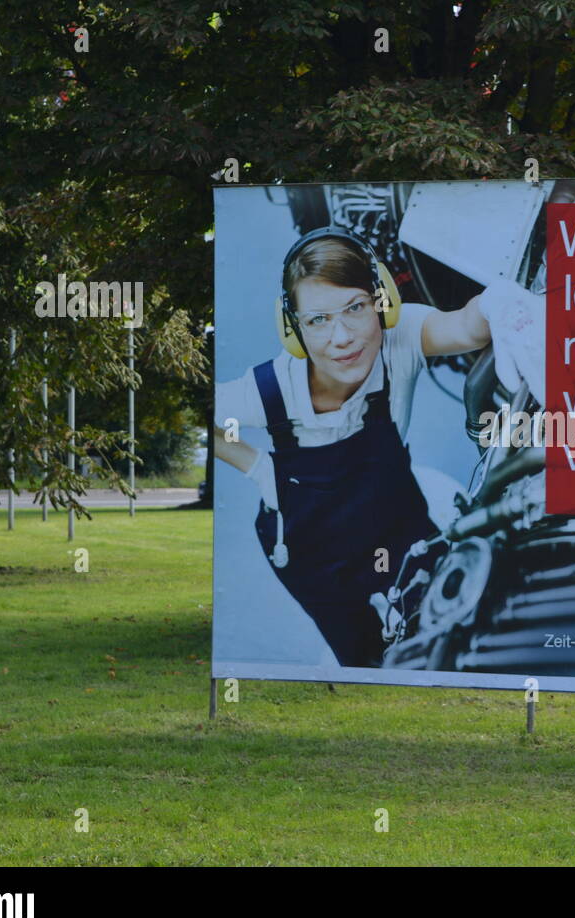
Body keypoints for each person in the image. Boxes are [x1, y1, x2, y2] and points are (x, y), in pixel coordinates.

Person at [215, 226, 542, 667]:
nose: (342, 337)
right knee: (364, 653)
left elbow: (463, 325)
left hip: (392, 516)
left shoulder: (400, 338)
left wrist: (497, 303)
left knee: (447, 614)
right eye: (317, 320)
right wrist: (257, 468)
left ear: (381, 302)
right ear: (293, 329)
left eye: (354, 308)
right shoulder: (272, 388)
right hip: (308, 544)